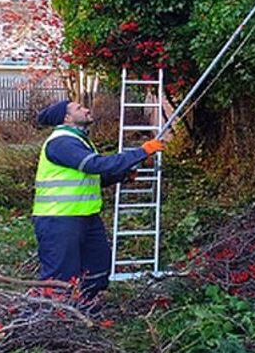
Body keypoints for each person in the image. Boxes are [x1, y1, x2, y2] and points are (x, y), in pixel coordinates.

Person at [32, 99, 164, 301]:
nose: (86, 109)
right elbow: (95, 165)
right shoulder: (61, 142)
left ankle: (88, 310)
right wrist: (140, 152)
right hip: (58, 219)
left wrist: (122, 175)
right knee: (60, 276)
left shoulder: (80, 141)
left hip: (86, 217)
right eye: (78, 108)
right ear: (66, 118)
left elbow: (91, 178)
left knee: (97, 267)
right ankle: (56, 323)